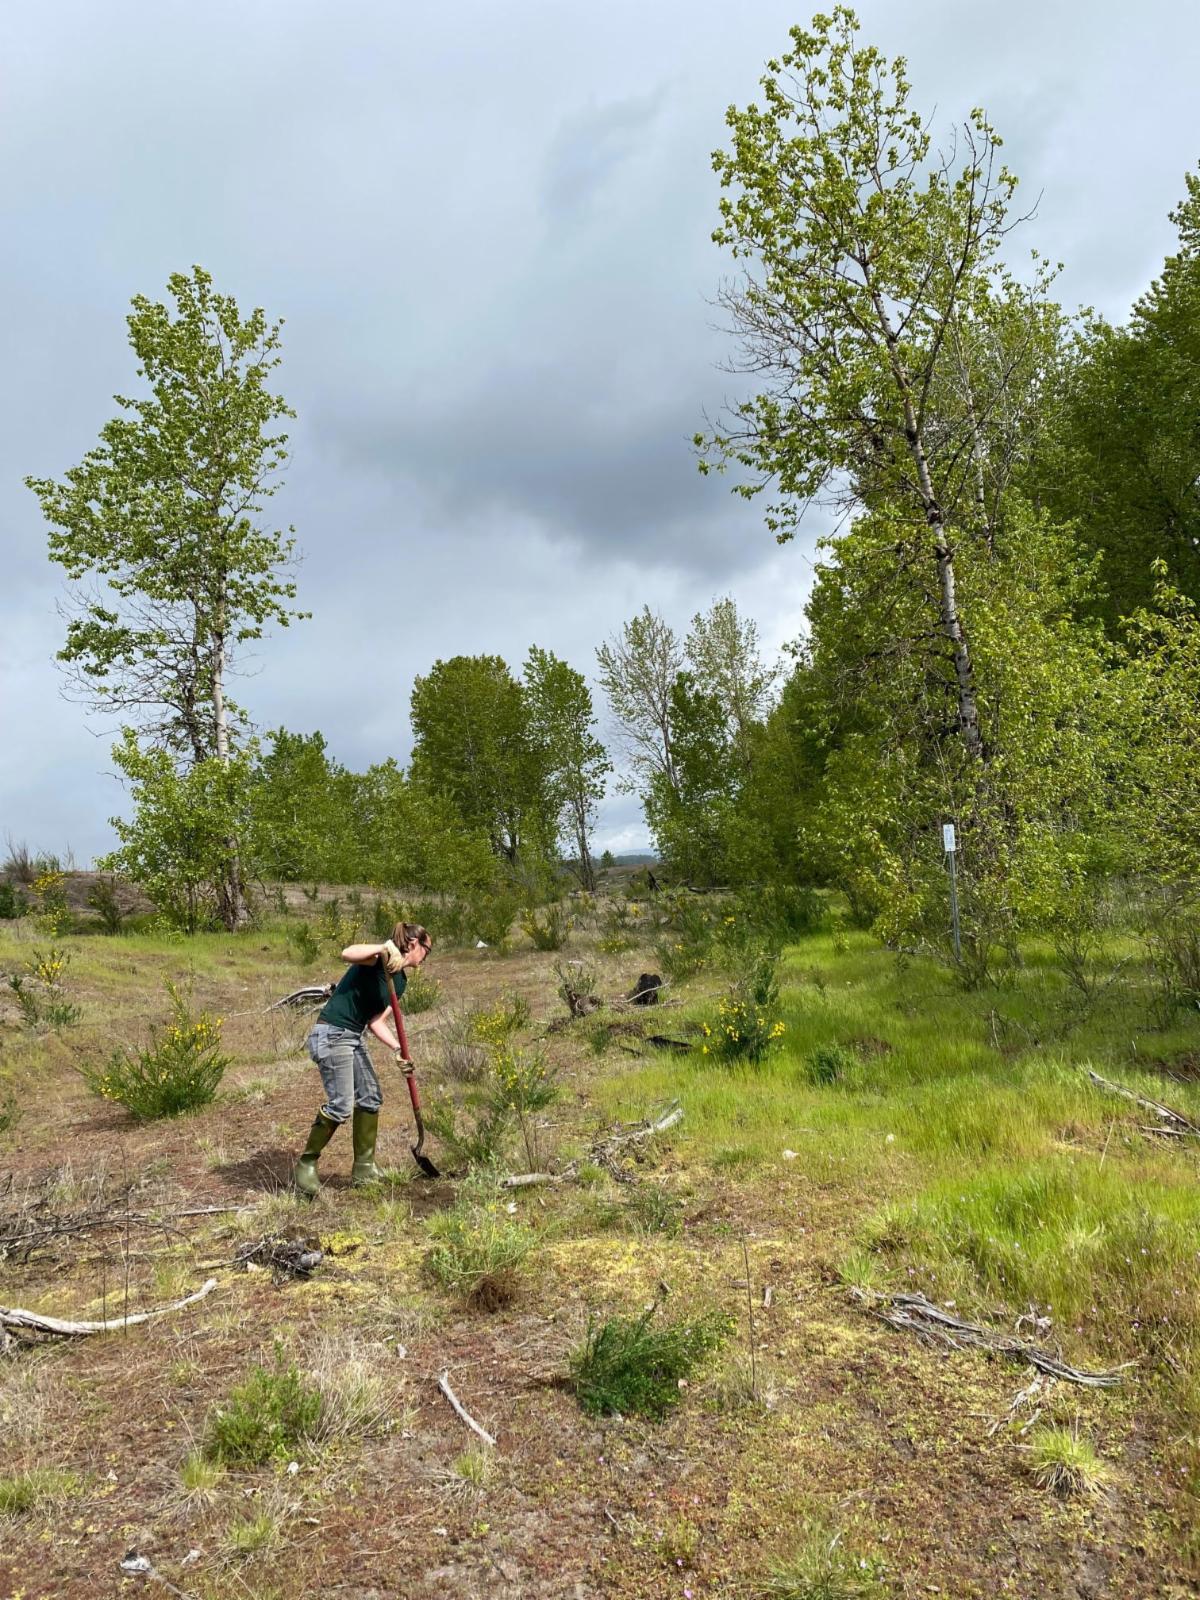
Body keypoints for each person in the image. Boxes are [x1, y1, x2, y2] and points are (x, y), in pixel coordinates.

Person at [293, 922, 432, 1197]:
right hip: (332, 1034)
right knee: (341, 1105)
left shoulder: (400, 980)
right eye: (428, 949)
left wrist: (398, 1050)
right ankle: (306, 1164)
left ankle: (364, 1167)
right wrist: (382, 948)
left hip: (352, 1036)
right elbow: (347, 952)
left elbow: (376, 1022)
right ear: (415, 944)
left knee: (370, 1096)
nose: (427, 956)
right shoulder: (378, 958)